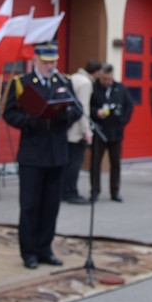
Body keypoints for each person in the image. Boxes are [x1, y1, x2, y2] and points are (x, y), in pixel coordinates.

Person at [2, 40, 81, 269]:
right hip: (32, 154)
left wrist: (65, 115)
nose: (50, 66)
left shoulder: (63, 81)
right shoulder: (22, 83)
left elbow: (77, 109)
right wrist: (30, 120)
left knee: (51, 206)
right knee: (30, 205)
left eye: (53, 61)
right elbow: (9, 114)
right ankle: (29, 252)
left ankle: (45, 248)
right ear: (35, 60)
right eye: (46, 62)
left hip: (57, 154)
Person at [89, 63, 134, 202]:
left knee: (115, 163)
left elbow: (129, 106)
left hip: (116, 132)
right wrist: (96, 112)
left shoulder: (121, 88)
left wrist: (123, 121)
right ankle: (95, 191)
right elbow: (86, 106)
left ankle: (115, 191)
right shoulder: (93, 88)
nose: (107, 82)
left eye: (109, 79)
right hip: (99, 131)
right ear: (100, 76)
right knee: (95, 163)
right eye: (104, 79)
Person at [62, 59, 99, 205]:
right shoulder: (85, 83)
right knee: (74, 163)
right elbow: (83, 109)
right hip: (76, 131)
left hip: (67, 128)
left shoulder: (74, 77)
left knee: (67, 163)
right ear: (96, 72)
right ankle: (71, 192)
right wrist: (86, 131)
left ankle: (63, 191)